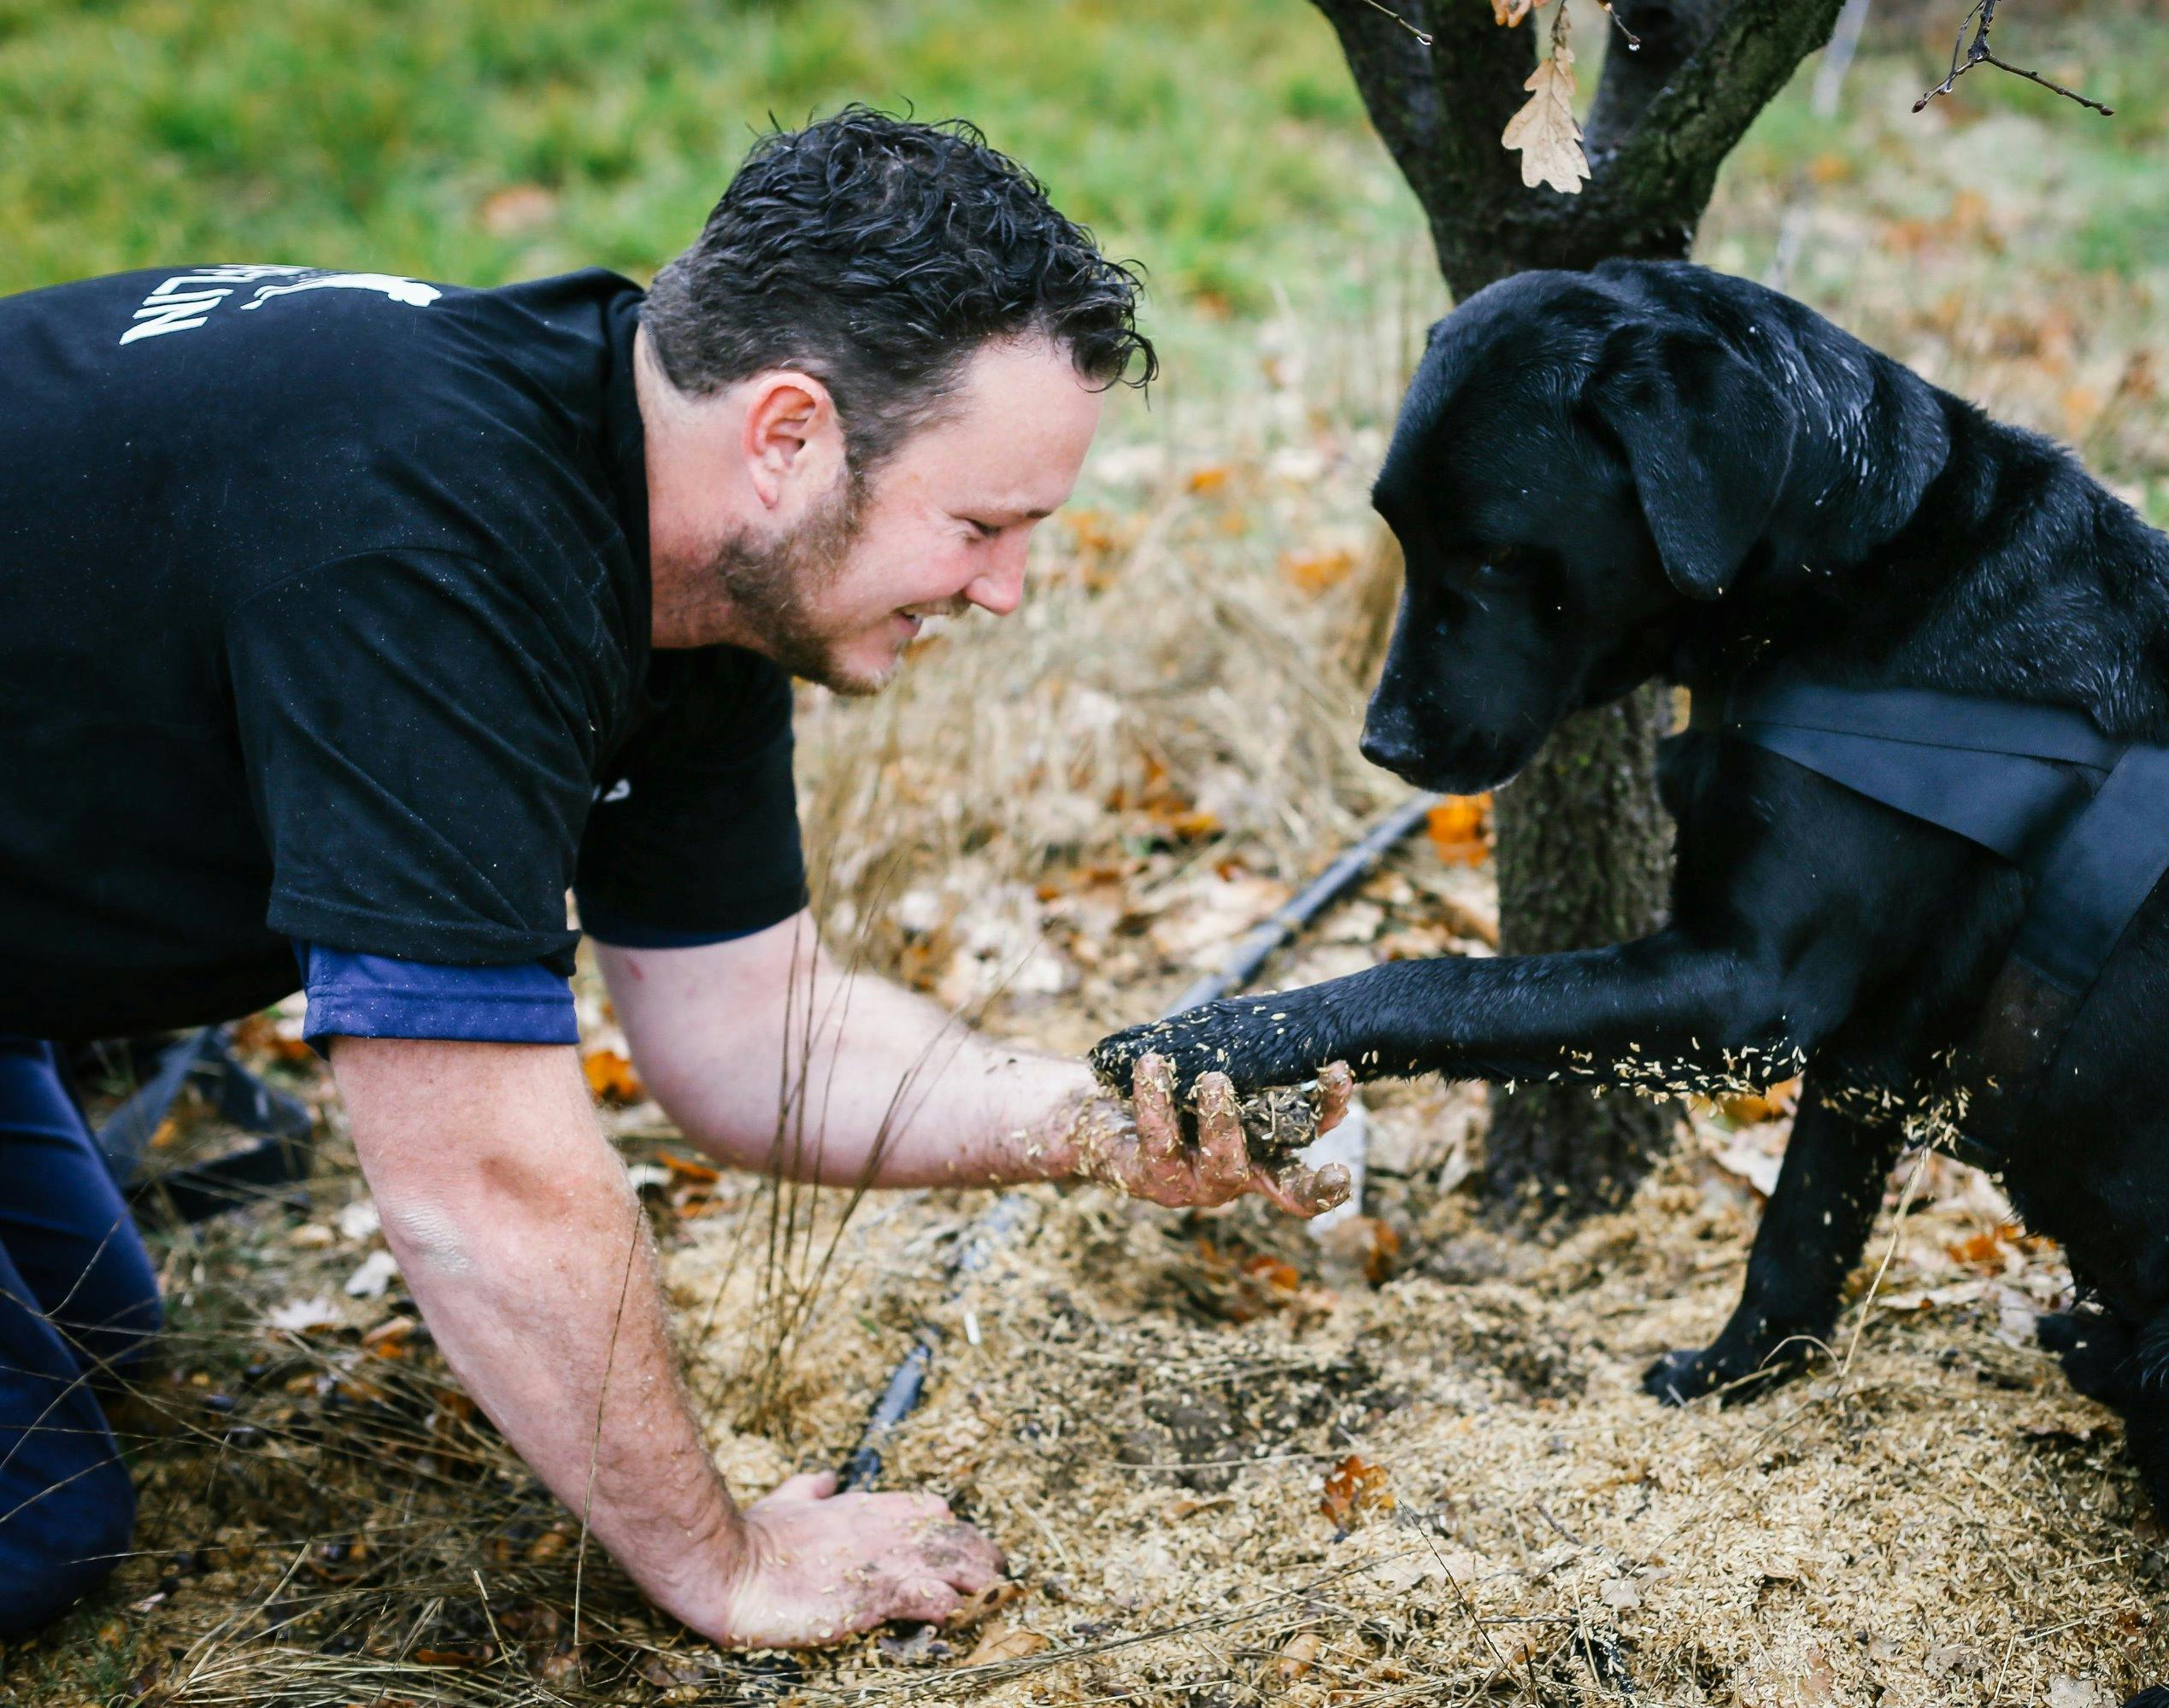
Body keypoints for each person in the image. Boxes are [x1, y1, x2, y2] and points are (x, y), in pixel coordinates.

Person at [0, 107, 1350, 1646]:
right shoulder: (429, 543)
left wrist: (1099, 1121)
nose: (1008, 592)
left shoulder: (687, 556)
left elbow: (751, 1032)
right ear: (789, 435)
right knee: (34, 1534)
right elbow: (476, 1185)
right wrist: (729, 1563)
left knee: (103, 1333)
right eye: (981, 526)